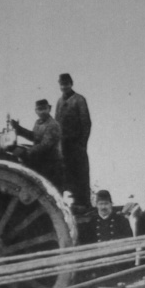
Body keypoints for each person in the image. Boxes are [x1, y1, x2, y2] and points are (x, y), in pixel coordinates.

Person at [55, 73, 92, 209]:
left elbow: (86, 122)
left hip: (77, 144)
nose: (64, 87)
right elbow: (56, 124)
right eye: (62, 84)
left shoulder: (79, 100)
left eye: (66, 84)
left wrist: (82, 144)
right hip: (64, 146)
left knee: (80, 174)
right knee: (67, 175)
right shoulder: (59, 102)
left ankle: (84, 205)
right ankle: (73, 205)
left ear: (71, 84)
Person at [10, 99, 64, 191]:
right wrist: (19, 129)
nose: (42, 112)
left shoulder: (53, 125)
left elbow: (45, 145)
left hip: (51, 164)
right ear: (36, 111)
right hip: (41, 160)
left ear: (49, 109)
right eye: (39, 109)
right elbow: (34, 137)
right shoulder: (38, 123)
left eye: (44, 109)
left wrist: (27, 152)